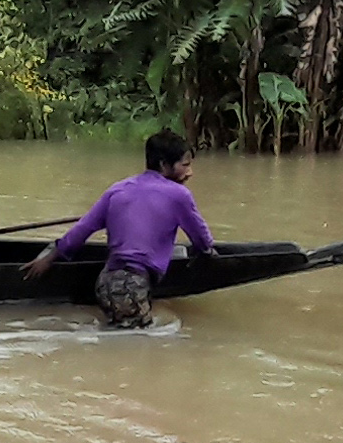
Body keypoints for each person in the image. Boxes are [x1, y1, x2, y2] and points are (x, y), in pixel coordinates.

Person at [22, 129, 216, 328]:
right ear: (164, 165)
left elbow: (82, 230)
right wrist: (208, 257)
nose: (190, 173)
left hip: (107, 282)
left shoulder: (117, 189)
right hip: (130, 285)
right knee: (137, 348)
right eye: (185, 165)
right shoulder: (179, 195)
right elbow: (203, 242)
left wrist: (48, 258)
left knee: (124, 337)